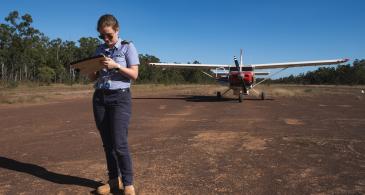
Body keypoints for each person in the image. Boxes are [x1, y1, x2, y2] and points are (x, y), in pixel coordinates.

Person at [91, 14, 139, 195]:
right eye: (102, 36)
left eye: (109, 35)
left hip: (120, 98)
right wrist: (90, 70)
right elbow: (93, 77)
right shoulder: (99, 49)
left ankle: (128, 183)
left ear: (117, 30)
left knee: (119, 143)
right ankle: (113, 181)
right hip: (100, 98)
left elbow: (134, 75)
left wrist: (116, 66)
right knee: (108, 144)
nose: (106, 39)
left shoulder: (128, 47)